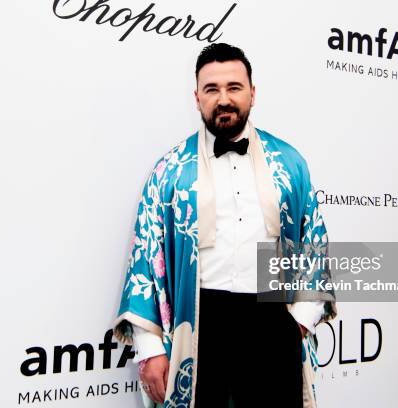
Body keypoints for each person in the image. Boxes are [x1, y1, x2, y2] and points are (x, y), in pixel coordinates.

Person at [114, 43, 337, 408]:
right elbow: (145, 258)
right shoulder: (170, 170)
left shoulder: (291, 164)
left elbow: (314, 244)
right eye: (212, 89)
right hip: (201, 321)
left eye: (234, 87)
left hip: (271, 316)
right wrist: (150, 349)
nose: (224, 99)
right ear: (196, 97)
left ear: (252, 92)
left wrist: (296, 324)